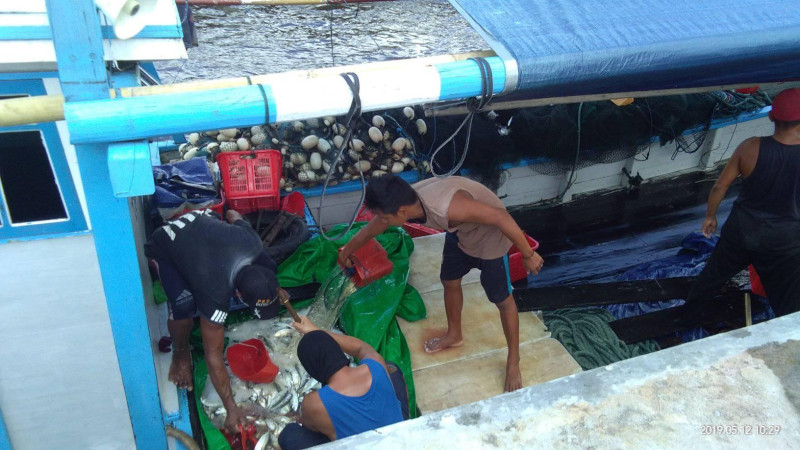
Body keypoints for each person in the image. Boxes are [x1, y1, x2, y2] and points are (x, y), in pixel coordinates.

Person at [337, 175, 544, 392]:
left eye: (384, 217)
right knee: (449, 280)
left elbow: (500, 217)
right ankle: (454, 335)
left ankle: (513, 360)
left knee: (501, 300)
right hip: (460, 233)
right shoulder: (405, 201)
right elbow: (374, 227)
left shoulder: (447, 208)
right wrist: (347, 251)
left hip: (490, 238)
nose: (382, 221)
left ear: (401, 213)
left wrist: (528, 254)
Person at [145, 208, 286, 432]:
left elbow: (232, 214)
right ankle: (180, 353)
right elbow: (213, 356)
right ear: (238, 294)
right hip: (165, 242)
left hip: (201, 221)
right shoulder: (215, 293)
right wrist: (231, 408)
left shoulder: (251, 241)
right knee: (184, 306)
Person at [686, 87, 800, 317]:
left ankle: (687, 318)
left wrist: (710, 216)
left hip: (741, 231)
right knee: (787, 300)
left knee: (711, 278)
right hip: (783, 241)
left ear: (771, 116)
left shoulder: (750, 147)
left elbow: (720, 186)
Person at [278, 316, 405, 449]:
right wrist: (317, 331)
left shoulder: (314, 403)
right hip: (403, 441)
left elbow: (309, 426)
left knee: (289, 434)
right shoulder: (376, 364)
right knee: (392, 369)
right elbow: (361, 347)